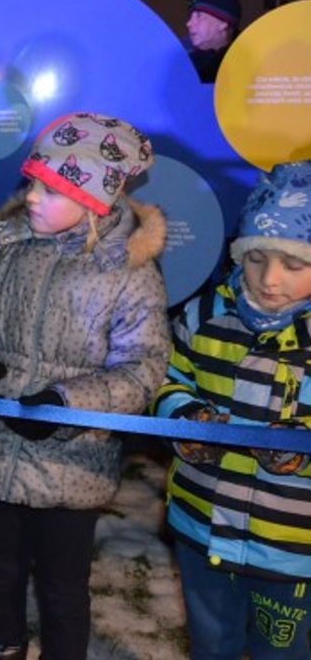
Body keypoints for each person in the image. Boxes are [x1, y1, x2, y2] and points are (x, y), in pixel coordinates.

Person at [0, 113, 171, 660]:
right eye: (31, 183)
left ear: (92, 200)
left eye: (50, 189)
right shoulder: (7, 247)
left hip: (72, 467)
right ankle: (2, 645)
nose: (30, 198)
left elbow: (143, 367)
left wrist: (66, 405)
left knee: (62, 588)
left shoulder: (128, 273)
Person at [154, 161, 311, 660]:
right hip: (202, 524)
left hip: (290, 545)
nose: (269, 279)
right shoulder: (204, 316)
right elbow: (167, 380)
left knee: (280, 652)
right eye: (257, 258)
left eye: (295, 265)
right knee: (212, 645)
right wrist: (186, 418)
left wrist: (296, 447)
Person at [185, 0, 241, 84]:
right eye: (191, 17)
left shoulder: (246, 66)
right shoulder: (183, 61)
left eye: (199, 16)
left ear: (223, 23)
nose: (189, 23)